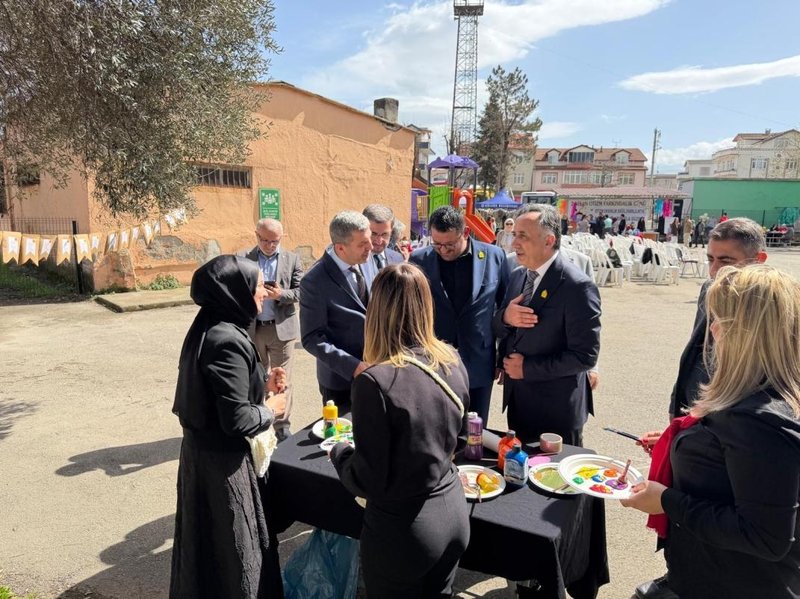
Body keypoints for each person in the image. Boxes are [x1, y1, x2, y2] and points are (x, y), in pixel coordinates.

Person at [622, 265, 800, 599]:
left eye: (721, 320)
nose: (713, 329)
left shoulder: (760, 419)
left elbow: (766, 537)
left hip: (733, 583)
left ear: (747, 333)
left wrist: (666, 500)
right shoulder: (759, 396)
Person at [635, 218, 768, 599]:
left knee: (712, 510)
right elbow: (697, 357)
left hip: (730, 431)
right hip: (697, 416)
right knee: (681, 499)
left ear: (759, 259)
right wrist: (681, 426)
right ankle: (676, 572)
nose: (713, 271)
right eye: (709, 259)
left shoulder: (768, 314)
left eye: (725, 261)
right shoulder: (712, 290)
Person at [331, 263, 471, 599]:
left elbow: (370, 478)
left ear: (376, 311)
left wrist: (339, 453)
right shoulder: (451, 358)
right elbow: (463, 440)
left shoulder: (374, 381)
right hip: (452, 511)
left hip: (405, 529)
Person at [170, 255, 287, 598]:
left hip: (202, 459)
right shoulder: (227, 340)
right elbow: (237, 419)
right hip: (222, 467)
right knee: (233, 553)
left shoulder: (210, 325)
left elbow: (215, 395)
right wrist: (270, 409)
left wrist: (262, 384)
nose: (264, 294)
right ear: (235, 292)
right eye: (257, 287)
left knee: (209, 551)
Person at [493, 204, 601, 446]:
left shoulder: (577, 286)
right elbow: (500, 328)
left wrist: (527, 369)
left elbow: (585, 356)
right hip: (520, 401)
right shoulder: (519, 276)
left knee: (555, 479)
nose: (514, 244)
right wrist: (505, 318)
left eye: (522, 236)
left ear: (549, 240)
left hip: (556, 410)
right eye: (514, 235)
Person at [410, 206, 509, 424]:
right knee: (435, 424)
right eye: (437, 244)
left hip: (479, 360)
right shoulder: (418, 261)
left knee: (476, 426)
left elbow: (505, 309)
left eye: (449, 244)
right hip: (434, 359)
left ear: (465, 233)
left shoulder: (495, 257)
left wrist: (503, 354)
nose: (443, 250)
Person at [300, 211, 374, 414]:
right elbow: (311, 338)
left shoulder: (367, 260)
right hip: (340, 380)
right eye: (362, 244)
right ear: (340, 247)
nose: (370, 248)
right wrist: (353, 366)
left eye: (369, 240)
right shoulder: (314, 281)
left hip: (375, 367)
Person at [244, 218, 303, 441]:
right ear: (257, 236)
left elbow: (301, 292)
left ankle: (281, 426)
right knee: (256, 376)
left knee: (281, 378)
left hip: (282, 330)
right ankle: (258, 419)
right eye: (266, 240)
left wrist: (281, 295)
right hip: (254, 329)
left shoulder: (293, 259)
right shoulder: (244, 258)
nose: (271, 245)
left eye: (275, 241)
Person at [361, 204, 404, 280]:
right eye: (373, 234)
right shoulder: (353, 260)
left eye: (384, 234)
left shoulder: (398, 258)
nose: (379, 241)